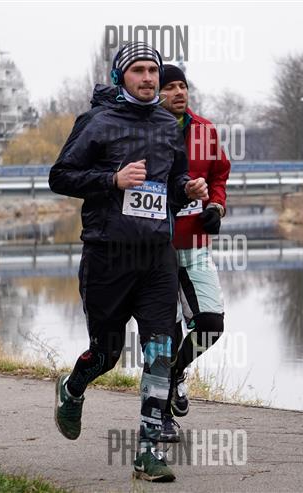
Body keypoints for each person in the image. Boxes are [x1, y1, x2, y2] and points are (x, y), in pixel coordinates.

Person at [48, 41, 208, 482]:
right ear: (121, 77)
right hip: (108, 255)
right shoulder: (97, 121)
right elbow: (60, 176)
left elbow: (173, 182)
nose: (149, 78)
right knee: (107, 353)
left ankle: (147, 451)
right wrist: (112, 180)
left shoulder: (167, 123)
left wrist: (187, 189)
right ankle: (72, 387)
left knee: (160, 352)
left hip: (156, 257)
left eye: (153, 70)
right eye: (138, 70)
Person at [156, 64, 230, 442]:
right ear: (155, 93)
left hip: (196, 245)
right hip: (156, 250)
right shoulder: (145, 131)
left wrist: (216, 206)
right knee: (164, 336)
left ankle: (175, 374)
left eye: (182, 86)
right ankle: (161, 416)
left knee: (211, 325)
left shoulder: (204, 130)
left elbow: (219, 174)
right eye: (169, 87)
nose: (178, 92)